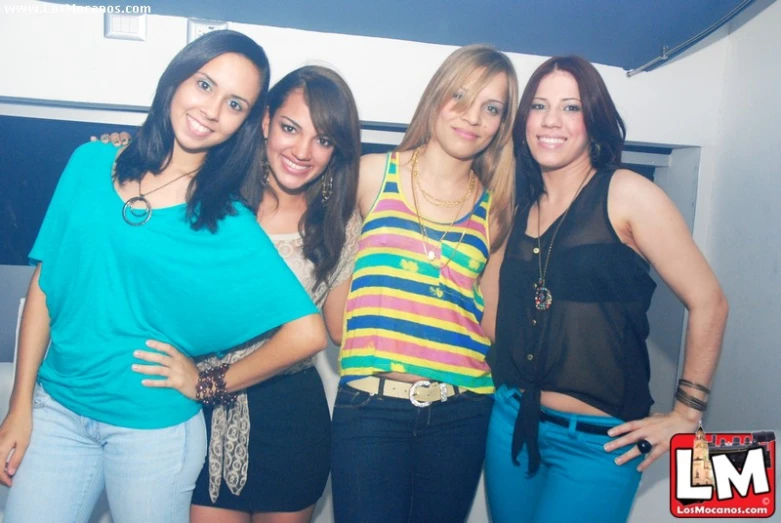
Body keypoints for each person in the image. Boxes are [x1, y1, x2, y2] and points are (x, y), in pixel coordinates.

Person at [0, 30, 326, 523]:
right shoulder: (89, 163)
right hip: (56, 413)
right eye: (204, 85)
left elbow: (308, 333)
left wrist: (208, 384)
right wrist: (19, 404)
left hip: (153, 435)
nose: (213, 109)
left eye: (235, 103)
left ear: (246, 122)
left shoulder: (224, 219)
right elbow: (46, 286)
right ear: (176, 79)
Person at [482, 55, 728, 523]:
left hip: (600, 446)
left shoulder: (626, 192)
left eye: (570, 107)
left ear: (593, 120)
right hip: (511, 423)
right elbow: (492, 323)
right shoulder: (519, 208)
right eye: (539, 106)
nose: (551, 120)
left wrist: (686, 413)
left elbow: (710, 302)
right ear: (523, 121)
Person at [330, 44, 519, 523]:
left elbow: (494, 322)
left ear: (502, 123)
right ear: (437, 97)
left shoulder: (497, 211)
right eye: (460, 96)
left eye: (491, 108)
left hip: (462, 413)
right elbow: (330, 291)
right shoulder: (371, 174)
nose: (472, 116)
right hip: (370, 407)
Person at [186, 66, 362, 523]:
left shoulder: (339, 225)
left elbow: (341, 329)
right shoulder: (213, 197)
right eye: (290, 128)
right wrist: (121, 152)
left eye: (322, 140)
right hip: (199, 405)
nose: (303, 152)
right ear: (264, 122)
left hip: (291, 415)